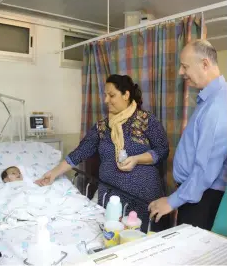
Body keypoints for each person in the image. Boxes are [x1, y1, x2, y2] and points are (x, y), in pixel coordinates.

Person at [35, 74, 169, 233]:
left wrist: (137, 159)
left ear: (126, 95)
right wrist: (53, 173)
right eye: (105, 95)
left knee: (139, 244)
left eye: (111, 95)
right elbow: (80, 152)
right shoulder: (103, 127)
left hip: (142, 200)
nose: (106, 100)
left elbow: (162, 150)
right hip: (110, 200)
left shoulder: (146, 120)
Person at [149, 39, 227, 231]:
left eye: (185, 66)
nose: (181, 72)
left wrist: (172, 201)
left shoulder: (217, 105)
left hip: (203, 198)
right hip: (195, 194)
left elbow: (205, 171)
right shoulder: (209, 101)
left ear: (205, 64)